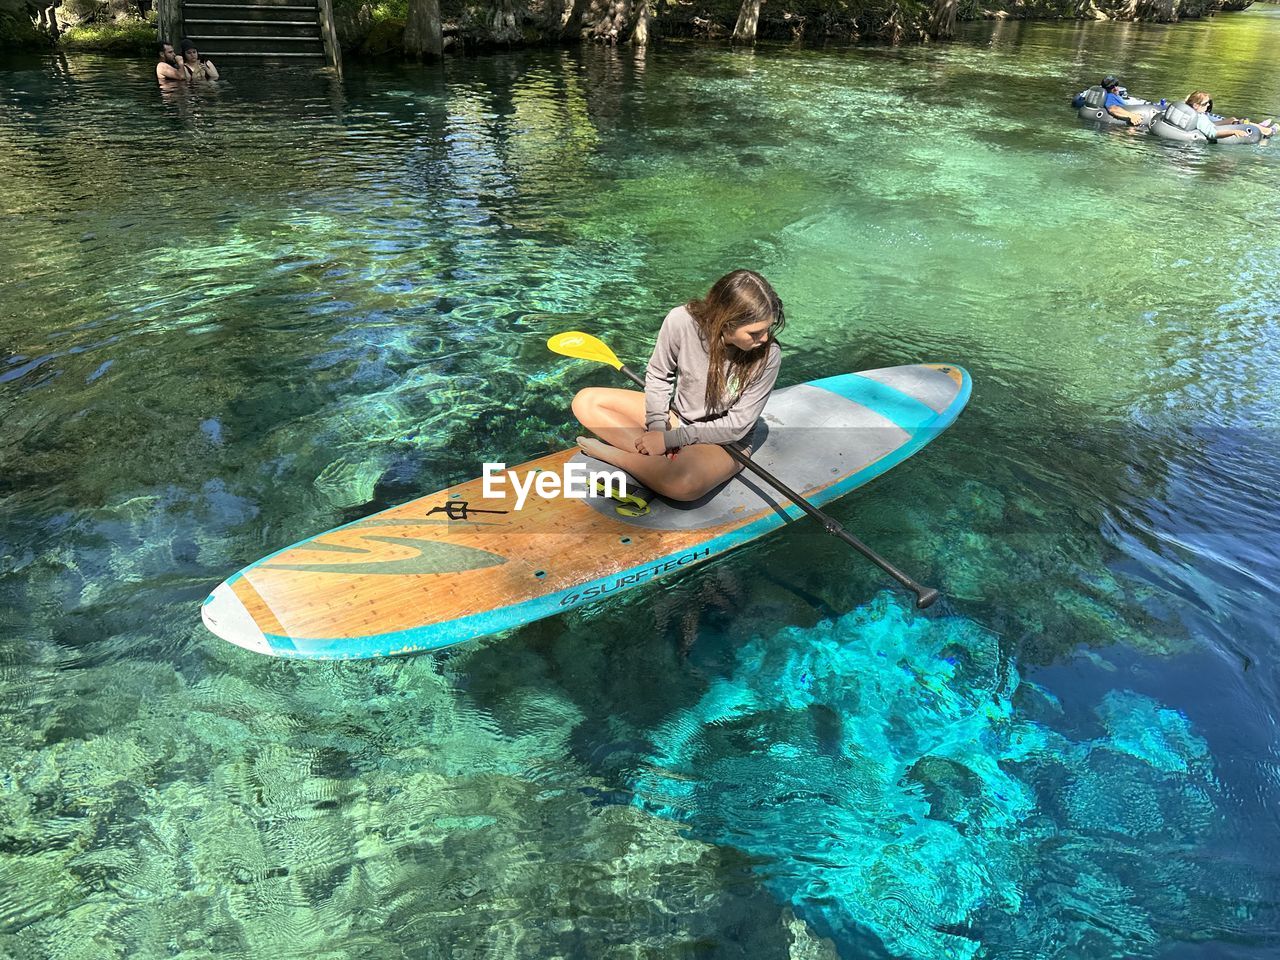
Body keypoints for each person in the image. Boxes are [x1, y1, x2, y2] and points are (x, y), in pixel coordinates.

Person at [573, 270, 785, 503]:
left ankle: (613, 455)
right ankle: (654, 463)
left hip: (724, 443)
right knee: (585, 402)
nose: (764, 339)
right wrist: (657, 428)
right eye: (755, 332)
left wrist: (671, 441)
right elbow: (658, 374)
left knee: (683, 484)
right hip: (678, 418)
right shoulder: (681, 320)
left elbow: (737, 426)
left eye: (768, 329)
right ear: (727, 321)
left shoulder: (769, 356)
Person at [1183, 91, 1274, 140]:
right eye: (1206, 103)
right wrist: (1234, 132)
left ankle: (1260, 126)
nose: (1208, 105)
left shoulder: (1196, 114)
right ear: (1196, 105)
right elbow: (1213, 134)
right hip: (1215, 131)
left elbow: (1209, 125)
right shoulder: (1199, 118)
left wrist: (1225, 122)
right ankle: (1266, 130)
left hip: (1213, 125)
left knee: (1232, 120)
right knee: (1238, 123)